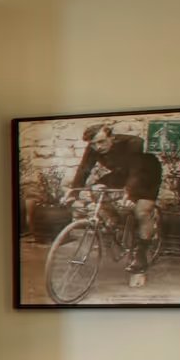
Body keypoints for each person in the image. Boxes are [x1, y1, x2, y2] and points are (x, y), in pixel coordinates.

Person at [70, 122, 162, 287]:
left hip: (147, 173)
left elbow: (136, 170)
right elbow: (84, 169)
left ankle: (140, 262)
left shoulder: (133, 143)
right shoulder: (94, 148)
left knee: (142, 212)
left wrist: (130, 194)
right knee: (97, 190)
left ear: (112, 137)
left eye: (101, 142)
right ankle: (115, 222)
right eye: (93, 144)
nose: (97, 147)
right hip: (122, 173)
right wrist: (73, 192)